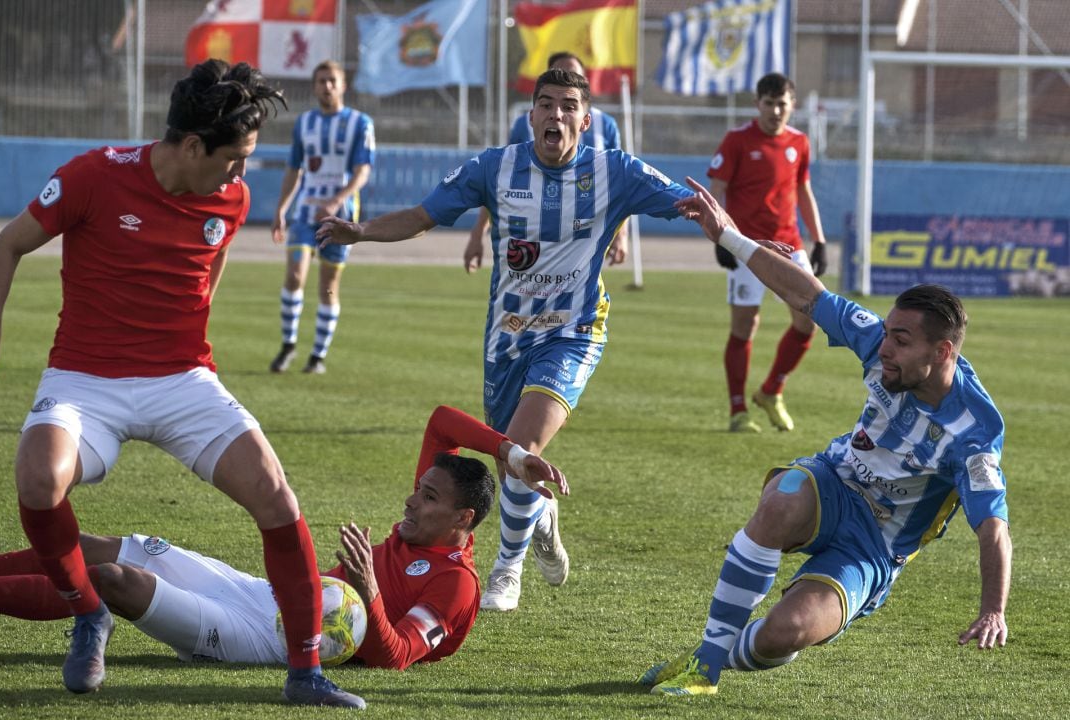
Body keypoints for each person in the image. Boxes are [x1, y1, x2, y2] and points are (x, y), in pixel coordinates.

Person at [0, 60, 364, 708]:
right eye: (234, 159)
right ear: (192, 147)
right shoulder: (93, 176)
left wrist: (189, 355)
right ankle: (88, 611)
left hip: (182, 378)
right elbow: (6, 246)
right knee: (37, 479)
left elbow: (204, 278)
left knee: (276, 497)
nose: (241, 175)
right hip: (86, 379)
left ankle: (305, 672)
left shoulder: (232, 198)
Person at [316, 69, 696, 612]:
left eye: (569, 107)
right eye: (546, 105)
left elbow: (690, 204)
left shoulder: (615, 171)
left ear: (586, 122)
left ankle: (506, 570)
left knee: (524, 445)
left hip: (573, 332)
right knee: (511, 463)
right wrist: (362, 231)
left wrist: (750, 242)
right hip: (507, 339)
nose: (556, 115)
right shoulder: (496, 167)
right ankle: (540, 515)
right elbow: (425, 215)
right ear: (531, 116)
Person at [639, 177, 1011, 697]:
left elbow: (992, 527)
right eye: (885, 333)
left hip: (875, 546)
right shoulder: (880, 343)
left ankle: (723, 652)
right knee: (783, 497)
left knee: (782, 635)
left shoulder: (974, 431)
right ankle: (706, 663)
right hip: (833, 483)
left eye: (901, 341)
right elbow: (807, 294)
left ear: (942, 352)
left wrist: (993, 609)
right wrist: (727, 234)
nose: (884, 348)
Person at [0, 406, 567, 670]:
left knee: (114, 581)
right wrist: (512, 454)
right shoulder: (428, 523)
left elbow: (397, 658)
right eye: (419, 488)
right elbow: (443, 420)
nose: (411, 501)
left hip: (273, 642)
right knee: (105, 547)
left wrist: (366, 589)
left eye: (429, 498)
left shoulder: (456, 585)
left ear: (463, 520)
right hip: (264, 595)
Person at [707, 72, 829, 433]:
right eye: (769, 103)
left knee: (807, 320)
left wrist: (819, 239)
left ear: (792, 105)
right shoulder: (737, 141)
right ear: (757, 104)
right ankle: (738, 410)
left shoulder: (799, 142)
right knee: (746, 325)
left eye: (783, 104)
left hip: (791, 246)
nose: (776, 110)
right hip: (747, 247)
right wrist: (722, 239)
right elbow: (716, 190)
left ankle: (772, 390)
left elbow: (803, 191)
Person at [462, 52, 628, 274]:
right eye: (559, 75)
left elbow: (622, 185)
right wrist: (477, 234)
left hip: (584, 237)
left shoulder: (605, 125)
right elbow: (501, 179)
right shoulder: (525, 124)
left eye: (573, 75)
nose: (565, 80)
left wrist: (621, 235)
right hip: (532, 236)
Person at [269, 59, 375, 375]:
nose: (326, 86)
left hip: (340, 217)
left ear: (342, 85)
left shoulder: (360, 123)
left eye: (332, 80)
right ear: (314, 86)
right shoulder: (304, 123)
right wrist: (281, 209)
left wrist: (337, 200)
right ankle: (288, 344)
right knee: (295, 274)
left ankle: (317, 355)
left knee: (328, 285)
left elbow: (362, 171)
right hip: (304, 211)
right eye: (321, 81)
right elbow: (294, 168)